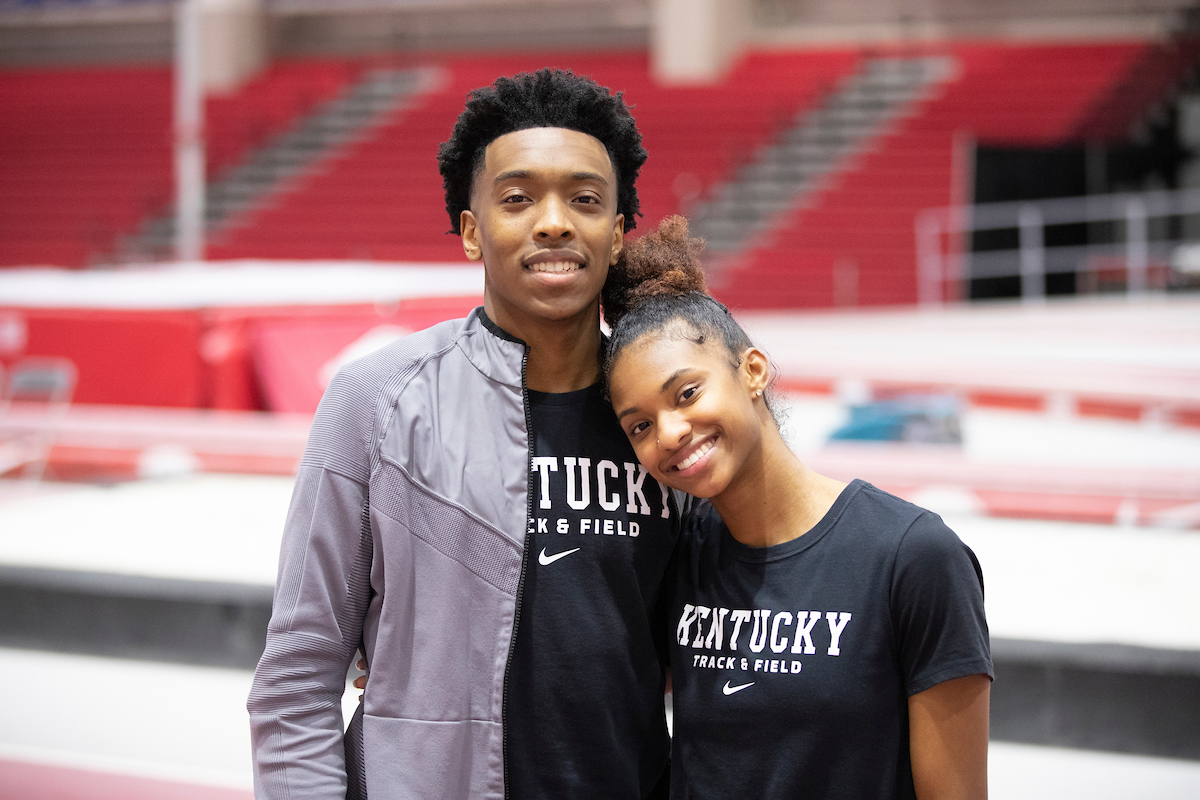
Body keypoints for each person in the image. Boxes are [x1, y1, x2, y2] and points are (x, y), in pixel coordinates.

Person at [248, 69, 684, 799]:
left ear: (615, 234)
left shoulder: (669, 417)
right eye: (518, 199)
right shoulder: (379, 401)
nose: (552, 222)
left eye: (584, 199)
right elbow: (299, 671)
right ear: (471, 231)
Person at [603, 216, 993, 800]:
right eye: (640, 425)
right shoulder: (678, 555)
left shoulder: (913, 558)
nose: (671, 432)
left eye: (686, 393)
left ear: (752, 371)